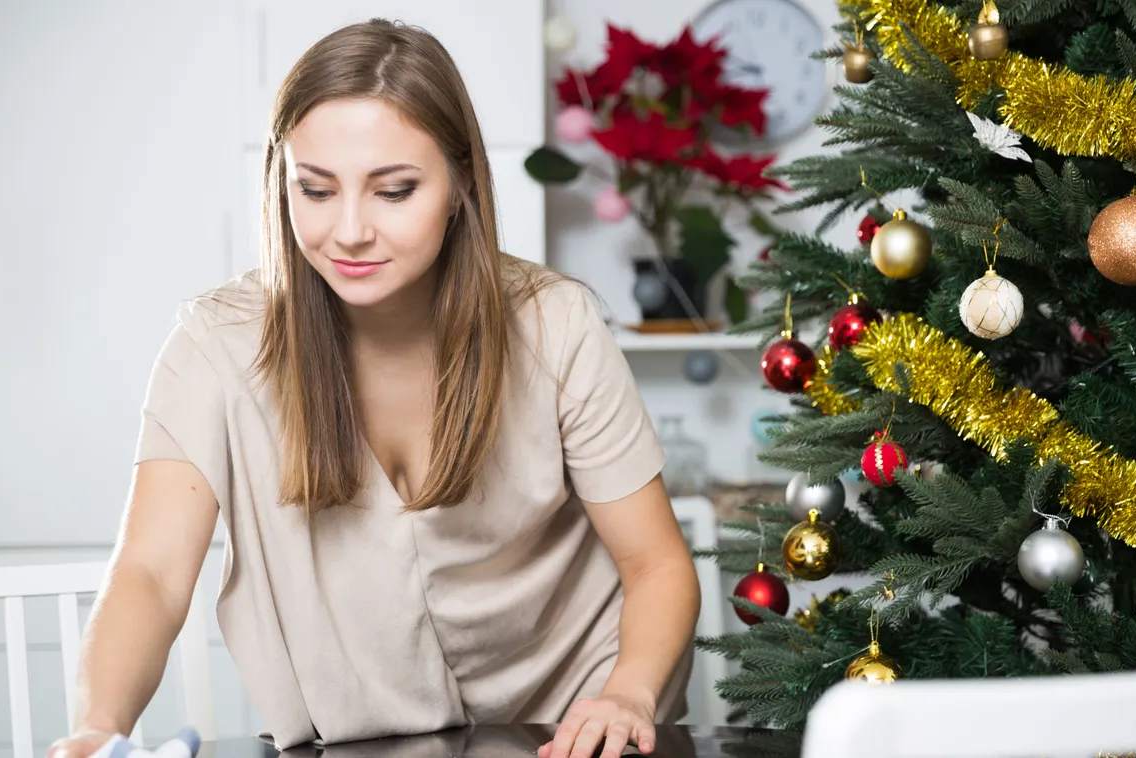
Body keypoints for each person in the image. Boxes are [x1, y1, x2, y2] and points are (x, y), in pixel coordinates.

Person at [47, 18, 700, 758]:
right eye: (315, 191)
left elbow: (655, 564)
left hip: (574, 730)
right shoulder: (214, 345)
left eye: (393, 191)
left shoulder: (554, 323)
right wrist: (99, 730)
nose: (348, 231)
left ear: (459, 186)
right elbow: (151, 574)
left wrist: (626, 694)